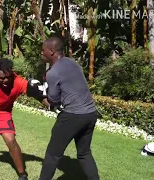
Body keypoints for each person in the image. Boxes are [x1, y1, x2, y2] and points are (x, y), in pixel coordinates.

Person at [38, 37, 100, 180]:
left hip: (73, 116)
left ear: (51, 51)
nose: (42, 53)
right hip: (90, 114)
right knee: (84, 153)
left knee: (52, 154)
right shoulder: (73, 63)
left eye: (43, 50)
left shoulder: (53, 73)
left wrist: (40, 92)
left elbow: (53, 101)